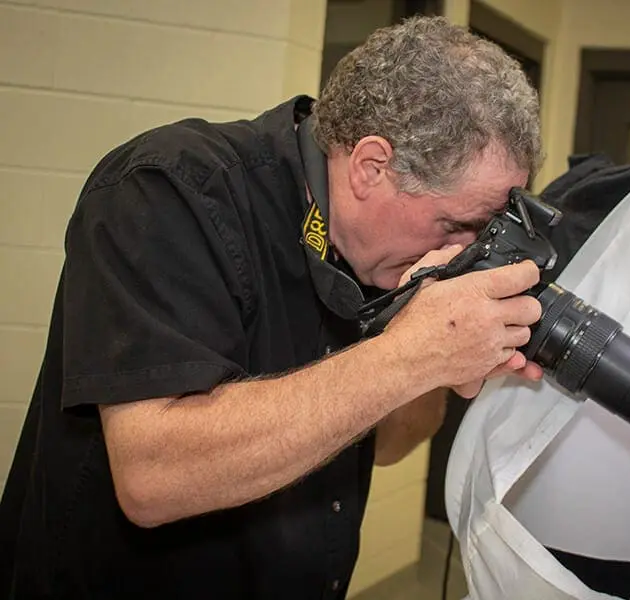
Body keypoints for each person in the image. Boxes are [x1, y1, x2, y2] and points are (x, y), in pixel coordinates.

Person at [0, 16, 545, 600]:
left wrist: (443, 357)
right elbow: (153, 478)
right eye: (458, 224)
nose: (459, 251)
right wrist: (410, 355)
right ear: (371, 167)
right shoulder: (170, 187)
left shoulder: (380, 256)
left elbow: (391, 445)